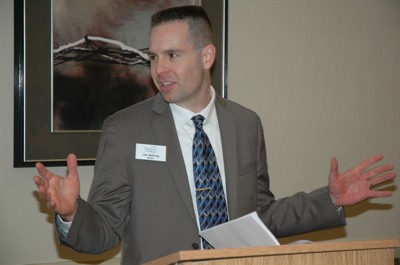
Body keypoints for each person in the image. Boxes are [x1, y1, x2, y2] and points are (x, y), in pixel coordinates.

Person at [33, 5, 396, 265]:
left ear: (207, 56)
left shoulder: (246, 123)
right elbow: (104, 232)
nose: (160, 69)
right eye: (154, 56)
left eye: (173, 55)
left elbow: (261, 215)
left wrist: (329, 199)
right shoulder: (125, 129)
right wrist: (71, 214)